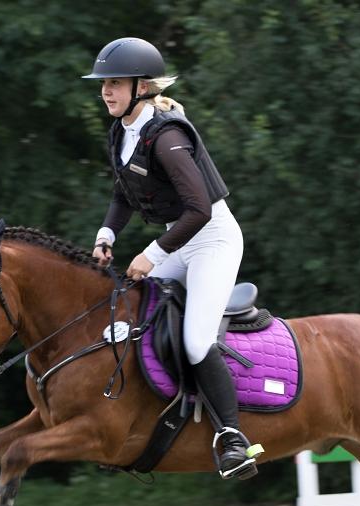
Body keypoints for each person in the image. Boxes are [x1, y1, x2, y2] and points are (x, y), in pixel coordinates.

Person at [83, 37, 258, 480]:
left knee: (197, 340)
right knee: (124, 311)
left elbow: (199, 210)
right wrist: (106, 235)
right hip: (179, 241)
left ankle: (233, 438)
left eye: (115, 83)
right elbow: (123, 193)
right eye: (104, 83)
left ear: (141, 87)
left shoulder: (167, 136)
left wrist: (152, 253)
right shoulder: (121, 132)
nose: (105, 91)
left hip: (212, 240)